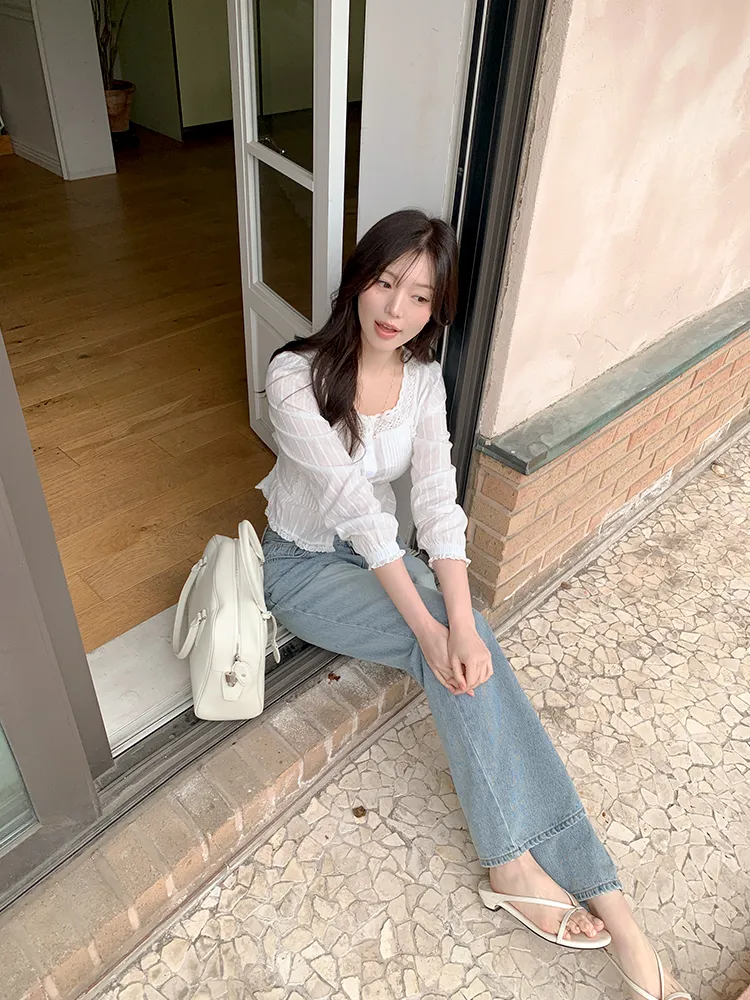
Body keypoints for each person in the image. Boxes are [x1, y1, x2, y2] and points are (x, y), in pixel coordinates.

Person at [257, 209, 690, 1000]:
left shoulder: (423, 381)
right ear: (358, 280)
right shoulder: (295, 375)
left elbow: (435, 504)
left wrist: (458, 621)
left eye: (421, 296)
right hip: (304, 566)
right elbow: (356, 510)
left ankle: (611, 906)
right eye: (385, 282)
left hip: (376, 554)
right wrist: (430, 630)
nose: (396, 308)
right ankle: (518, 867)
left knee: (470, 637)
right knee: (438, 645)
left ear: (438, 308)